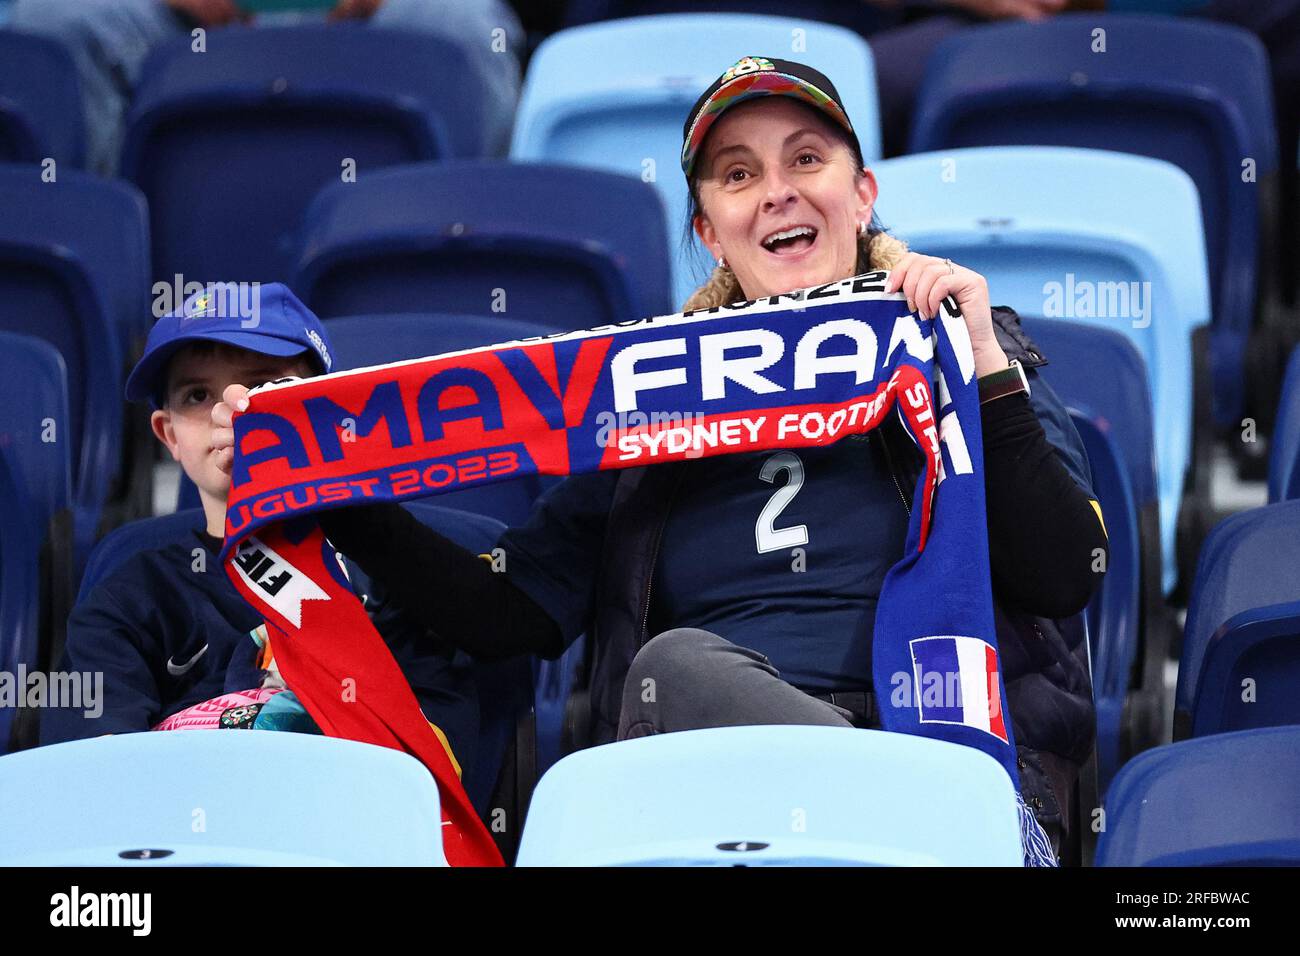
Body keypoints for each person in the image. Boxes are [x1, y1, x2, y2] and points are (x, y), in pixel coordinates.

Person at [214, 58, 1107, 864]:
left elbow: (1067, 571)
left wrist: (985, 369)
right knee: (680, 673)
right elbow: (504, 615)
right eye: (739, 175)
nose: (777, 193)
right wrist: (337, 487)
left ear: (863, 193)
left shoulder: (961, 351)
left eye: (806, 160)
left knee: (677, 669)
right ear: (711, 232)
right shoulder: (646, 396)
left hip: (937, 754)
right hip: (703, 785)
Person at [42, 282, 479, 790]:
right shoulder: (129, 597)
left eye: (264, 386)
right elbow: (95, 784)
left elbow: (433, 781)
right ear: (169, 436)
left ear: (324, 409)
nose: (231, 411)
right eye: (198, 395)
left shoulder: (402, 577)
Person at [9, 0, 525, 175]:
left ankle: (453, 273)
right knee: (47, 31)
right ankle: (112, 299)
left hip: (373, 17)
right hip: (178, 21)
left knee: (471, 34)